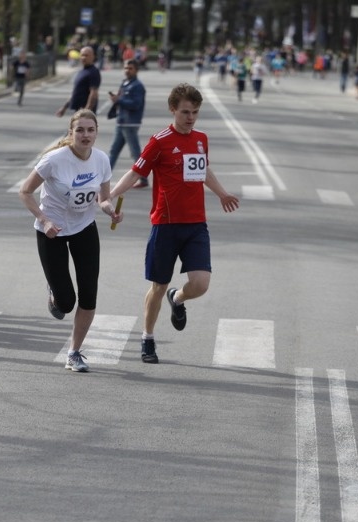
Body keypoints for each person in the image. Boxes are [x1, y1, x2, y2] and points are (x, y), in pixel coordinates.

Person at [104, 83, 240, 364]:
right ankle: (148, 338)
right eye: (185, 112)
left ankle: (178, 299)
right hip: (165, 225)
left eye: (195, 112)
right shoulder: (160, 141)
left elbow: (203, 169)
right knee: (158, 286)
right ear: (173, 110)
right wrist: (110, 195)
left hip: (195, 224)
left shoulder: (201, 138)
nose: (190, 118)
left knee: (201, 284)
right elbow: (135, 172)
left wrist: (222, 193)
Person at [19, 109, 119, 372]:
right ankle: (54, 291)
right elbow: (25, 191)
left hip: (84, 228)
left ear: (97, 132)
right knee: (65, 303)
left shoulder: (101, 159)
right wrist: (44, 220)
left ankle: (74, 352)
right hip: (52, 230)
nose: (86, 135)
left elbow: (104, 198)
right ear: (71, 133)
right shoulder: (54, 160)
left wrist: (110, 210)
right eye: (80, 130)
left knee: (89, 296)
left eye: (90, 130)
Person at [107, 58, 147, 187]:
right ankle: (103, 178)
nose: (127, 71)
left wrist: (118, 100)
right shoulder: (125, 83)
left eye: (130, 68)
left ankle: (144, 179)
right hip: (122, 121)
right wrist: (117, 100)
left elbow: (136, 104)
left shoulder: (137, 86)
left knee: (135, 152)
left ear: (136, 70)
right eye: (125, 68)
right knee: (114, 150)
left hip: (130, 123)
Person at [55, 46, 100, 117]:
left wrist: (87, 110)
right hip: (78, 110)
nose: (84, 57)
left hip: (85, 112)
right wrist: (64, 107)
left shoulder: (93, 72)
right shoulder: (81, 71)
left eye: (86, 55)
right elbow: (76, 92)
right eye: (82, 55)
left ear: (93, 57)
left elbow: (93, 93)